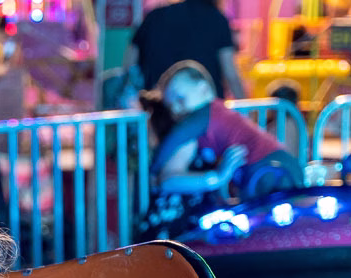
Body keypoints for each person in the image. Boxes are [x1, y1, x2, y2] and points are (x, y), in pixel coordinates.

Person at [136, 61, 303, 241]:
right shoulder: (215, 112)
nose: (176, 109)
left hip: (267, 167)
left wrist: (154, 167)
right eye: (171, 105)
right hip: (272, 166)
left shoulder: (204, 114)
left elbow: (174, 139)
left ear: (202, 89)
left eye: (180, 98)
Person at [126, 0, 247, 100]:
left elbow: (129, 66)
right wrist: (247, 114)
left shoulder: (153, 17)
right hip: (205, 113)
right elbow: (230, 74)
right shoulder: (218, 20)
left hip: (159, 113)